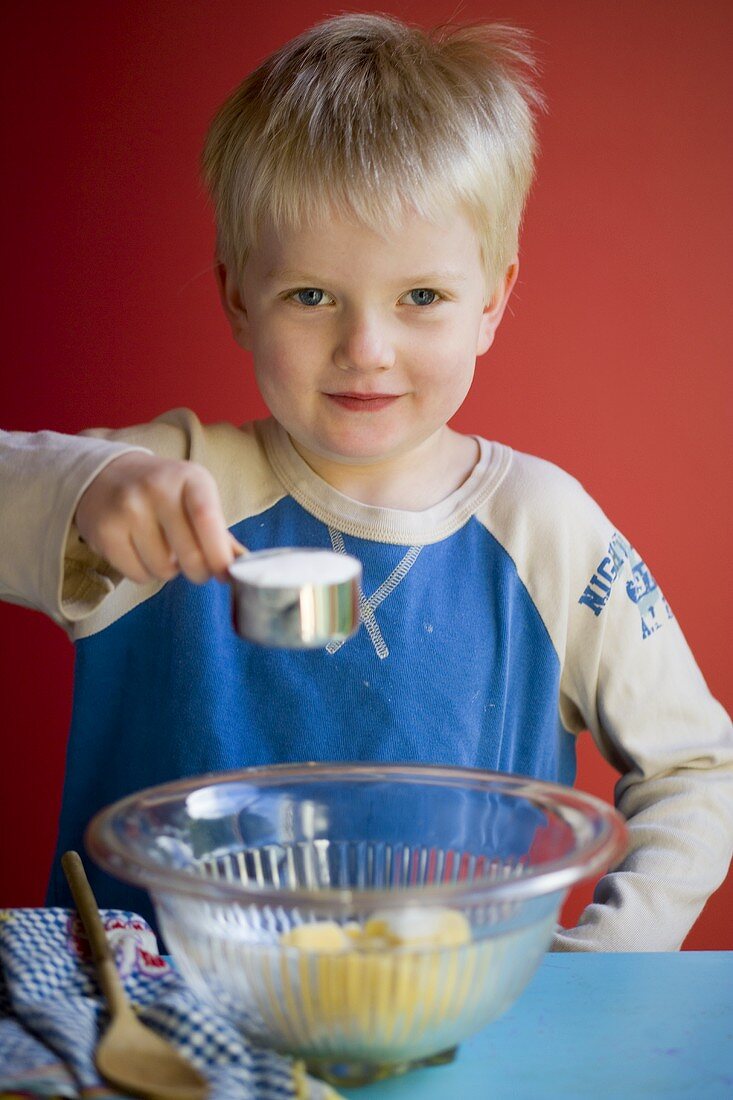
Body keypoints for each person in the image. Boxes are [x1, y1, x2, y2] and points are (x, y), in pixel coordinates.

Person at [1, 13, 731, 950]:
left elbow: (697, 769)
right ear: (237, 298)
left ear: (491, 301)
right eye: (311, 295)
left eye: (419, 297)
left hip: (452, 1046)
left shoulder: (544, 530)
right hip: (163, 1040)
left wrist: (602, 963)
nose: (366, 350)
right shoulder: (171, 485)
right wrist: (84, 489)